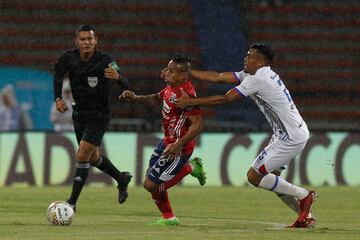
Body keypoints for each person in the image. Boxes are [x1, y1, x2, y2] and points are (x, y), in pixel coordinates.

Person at [175, 43, 316, 228]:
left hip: (290, 137)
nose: (245, 58)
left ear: (260, 61)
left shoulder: (259, 78)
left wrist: (189, 102)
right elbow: (218, 77)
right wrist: (188, 72)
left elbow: (226, 98)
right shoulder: (256, 74)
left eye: (249, 56)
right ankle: (305, 216)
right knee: (273, 179)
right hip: (291, 132)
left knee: (254, 176)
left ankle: (304, 195)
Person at [120, 55, 206, 226]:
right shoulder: (171, 86)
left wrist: (178, 144)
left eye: (171, 71)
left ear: (183, 76)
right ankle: (169, 218)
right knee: (150, 179)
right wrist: (136, 98)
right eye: (167, 68)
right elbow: (158, 97)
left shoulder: (186, 95)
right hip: (167, 141)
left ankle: (191, 167)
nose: (166, 73)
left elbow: (198, 125)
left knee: (150, 185)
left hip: (180, 147)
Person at [53, 24, 132, 211]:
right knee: (94, 156)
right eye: (83, 39)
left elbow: (126, 83)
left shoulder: (105, 60)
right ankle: (121, 178)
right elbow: (57, 77)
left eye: (90, 39)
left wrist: (119, 79)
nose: (87, 42)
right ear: (77, 42)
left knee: (81, 154)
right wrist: (58, 98)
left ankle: (71, 203)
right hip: (79, 114)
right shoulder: (68, 58)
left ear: (96, 41)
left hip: (99, 115)